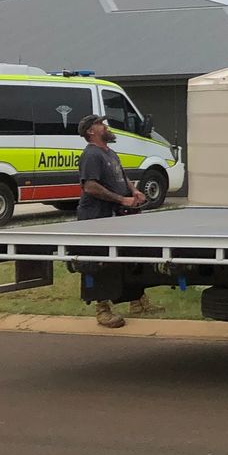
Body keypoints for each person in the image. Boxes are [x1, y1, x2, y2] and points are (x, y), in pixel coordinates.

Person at [75, 113, 159, 328]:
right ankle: (102, 310)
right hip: (95, 217)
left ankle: (137, 301)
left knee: (129, 257)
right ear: (91, 131)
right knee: (99, 264)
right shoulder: (91, 155)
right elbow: (90, 186)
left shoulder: (109, 153)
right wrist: (122, 199)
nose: (106, 127)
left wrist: (134, 192)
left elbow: (121, 177)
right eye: (100, 124)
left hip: (116, 216)